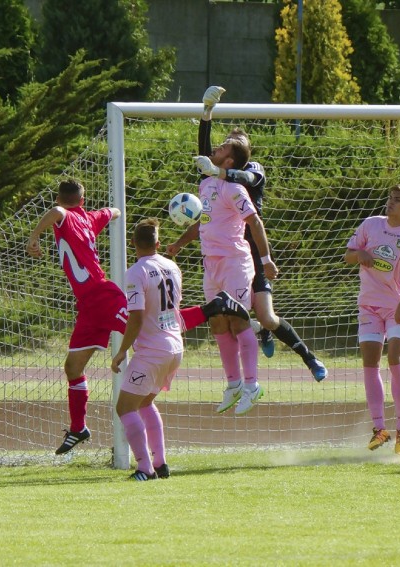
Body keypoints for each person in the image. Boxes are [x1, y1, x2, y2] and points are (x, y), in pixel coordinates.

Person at [27, 179, 248, 455]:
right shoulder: (90, 217)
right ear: (82, 201)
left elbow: (58, 214)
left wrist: (34, 236)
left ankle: (212, 307)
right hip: (88, 306)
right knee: (72, 367)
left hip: (103, 297)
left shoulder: (64, 216)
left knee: (150, 326)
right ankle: (78, 428)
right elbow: (114, 211)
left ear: (59, 199)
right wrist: (103, 215)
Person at [192, 85, 327, 382]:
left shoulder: (252, 169)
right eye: (227, 140)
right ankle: (244, 365)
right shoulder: (215, 181)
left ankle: (308, 356)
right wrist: (206, 114)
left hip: (250, 254)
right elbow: (206, 158)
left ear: (242, 150)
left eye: (234, 142)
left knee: (267, 316)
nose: (228, 143)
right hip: (229, 256)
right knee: (228, 318)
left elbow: (245, 176)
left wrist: (219, 172)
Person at [168, 134, 278, 416]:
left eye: (222, 147)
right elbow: (203, 222)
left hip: (235, 263)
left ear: (229, 160)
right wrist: (179, 243)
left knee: (238, 321)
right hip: (212, 265)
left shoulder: (235, 189)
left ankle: (252, 386)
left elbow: (254, 221)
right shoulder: (205, 184)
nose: (215, 148)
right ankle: (234, 384)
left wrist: (266, 260)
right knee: (217, 323)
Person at [344, 184, 400, 456]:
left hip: (396, 306)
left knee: (395, 360)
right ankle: (380, 430)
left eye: (398, 200)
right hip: (368, 306)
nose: (391, 203)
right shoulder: (370, 224)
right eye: (390, 198)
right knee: (370, 364)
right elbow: (348, 256)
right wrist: (360, 255)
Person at [111, 219, 183, 481]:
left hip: (153, 351)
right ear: (158, 243)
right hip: (175, 347)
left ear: (132, 243)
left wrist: (121, 351)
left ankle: (144, 468)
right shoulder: (172, 266)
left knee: (124, 408)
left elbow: (137, 317)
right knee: (145, 402)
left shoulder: (135, 272)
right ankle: (161, 464)